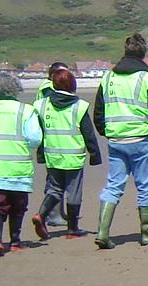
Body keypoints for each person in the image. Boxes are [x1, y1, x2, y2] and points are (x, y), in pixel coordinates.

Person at [92, 33, 148, 249]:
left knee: (113, 185)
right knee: (145, 185)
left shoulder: (108, 78)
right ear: (143, 53)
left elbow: (98, 112)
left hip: (116, 139)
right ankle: (146, 233)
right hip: (142, 139)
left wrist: (107, 132)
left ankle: (103, 232)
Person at [30, 67, 101, 240]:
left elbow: (38, 132)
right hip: (73, 156)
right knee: (73, 192)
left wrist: (40, 153)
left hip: (52, 154)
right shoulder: (80, 106)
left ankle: (41, 214)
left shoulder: (41, 105)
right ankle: (72, 229)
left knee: (55, 188)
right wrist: (95, 154)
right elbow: (88, 133)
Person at [0, 73, 41, 257]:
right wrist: (27, 149)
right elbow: (35, 137)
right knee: (18, 205)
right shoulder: (25, 110)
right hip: (19, 165)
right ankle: (15, 241)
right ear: (16, 88)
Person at [36, 62, 71, 225]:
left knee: (56, 179)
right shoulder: (48, 89)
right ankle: (52, 215)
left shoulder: (46, 88)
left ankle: (57, 213)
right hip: (52, 139)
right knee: (54, 180)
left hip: (51, 137)